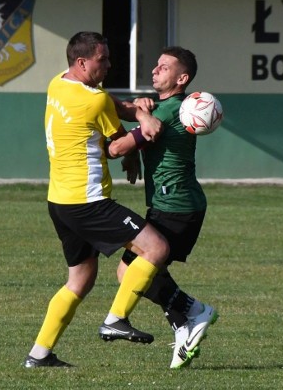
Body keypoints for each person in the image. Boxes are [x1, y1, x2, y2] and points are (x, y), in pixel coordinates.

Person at [23, 31, 170, 368]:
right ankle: (116, 319)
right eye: (102, 60)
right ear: (82, 62)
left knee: (80, 281)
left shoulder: (59, 82)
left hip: (59, 201)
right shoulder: (95, 100)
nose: (108, 65)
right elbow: (117, 146)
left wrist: (140, 112)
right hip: (88, 202)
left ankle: (39, 354)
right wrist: (144, 130)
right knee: (157, 248)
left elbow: (114, 106)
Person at [107, 46, 219, 369]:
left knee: (131, 271)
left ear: (182, 78)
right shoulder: (166, 107)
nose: (155, 70)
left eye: (164, 67)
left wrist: (126, 114)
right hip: (173, 206)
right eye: (156, 65)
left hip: (177, 208)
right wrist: (142, 111)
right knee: (134, 272)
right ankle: (186, 321)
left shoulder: (172, 112)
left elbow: (119, 145)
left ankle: (192, 313)